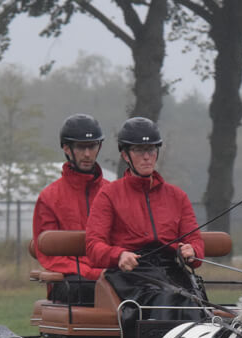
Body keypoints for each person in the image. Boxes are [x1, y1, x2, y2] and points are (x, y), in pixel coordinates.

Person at [86, 117, 206, 321]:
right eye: (139, 151)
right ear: (125, 155)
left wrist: (192, 250)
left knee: (194, 302)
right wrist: (119, 255)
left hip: (172, 271)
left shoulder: (177, 197)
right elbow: (93, 246)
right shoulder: (109, 195)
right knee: (168, 301)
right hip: (132, 274)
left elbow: (195, 241)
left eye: (151, 150)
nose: (147, 157)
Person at [33, 113, 107, 303]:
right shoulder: (49, 197)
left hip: (108, 274)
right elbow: (48, 254)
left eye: (92, 146)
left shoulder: (112, 192)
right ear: (67, 148)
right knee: (86, 288)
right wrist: (91, 272)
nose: (88, 154)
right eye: (81, 147)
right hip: (70, 280)